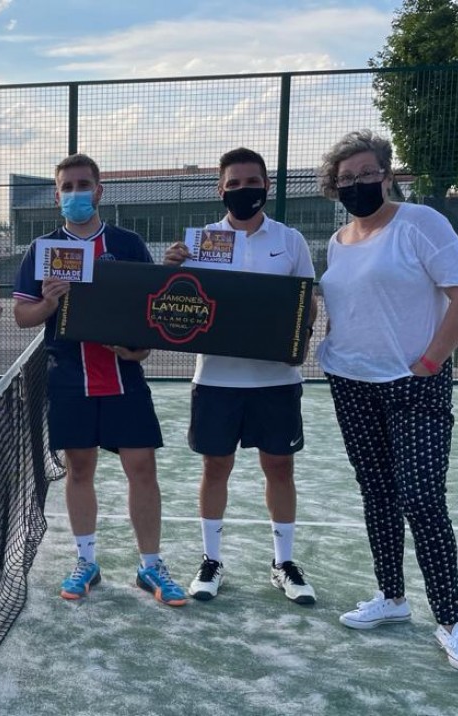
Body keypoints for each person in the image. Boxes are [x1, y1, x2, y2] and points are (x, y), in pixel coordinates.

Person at [317, 129, 458, 672]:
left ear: (387, 174)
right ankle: (391, 598)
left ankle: (451, 623)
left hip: (416, 384)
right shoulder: (337, 241)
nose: (358, 184)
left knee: (422, 499)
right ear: (334, 186)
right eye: (346, 178)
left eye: (367, 173)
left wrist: (431, 361)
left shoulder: (421, 224)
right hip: (350, 382)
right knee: (377, 492)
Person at [12, 153, 186, 606]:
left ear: (100, 190)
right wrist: (50, 303)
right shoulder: (43, 250)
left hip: (124, 376)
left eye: (83, 185)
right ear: (56, 196)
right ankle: (86, 561)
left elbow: (148, 313)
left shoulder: (128, 244)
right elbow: (23, 314)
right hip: (69, 375)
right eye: (67, 187)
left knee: (142, 469)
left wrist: (139, 349)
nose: (75, 194)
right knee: (80, 469)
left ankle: (151, 566)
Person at [162, 148, 318, 605]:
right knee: (215, 467)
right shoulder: (201, 242)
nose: (243, 190)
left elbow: (305, 300)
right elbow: (177, 300)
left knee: (279, 467)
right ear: (221, 189)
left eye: (252, 182)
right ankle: (211, 561)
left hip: (276, 380)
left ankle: (283, 563)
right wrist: (171, 268)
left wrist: (298, 343)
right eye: (234, 183)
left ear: (266, 187)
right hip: (216, 379)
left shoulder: (290, 241)